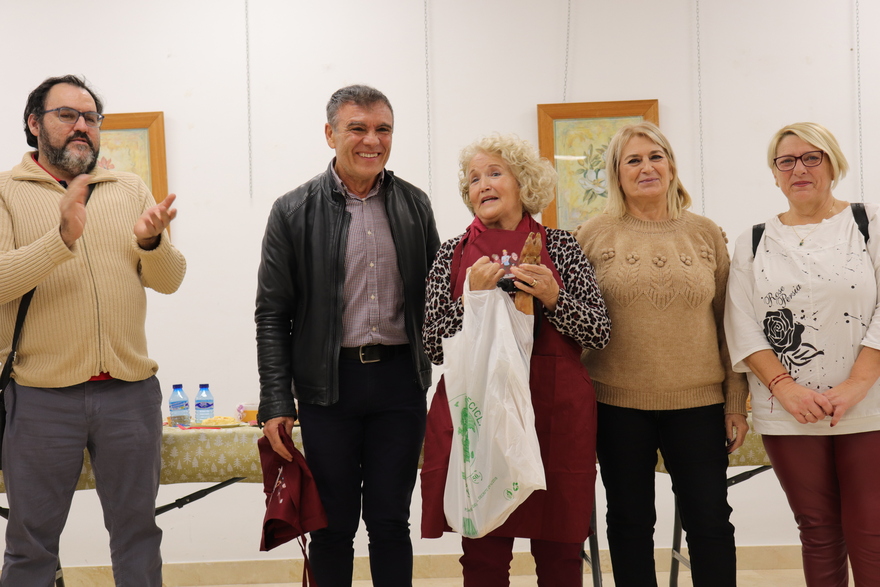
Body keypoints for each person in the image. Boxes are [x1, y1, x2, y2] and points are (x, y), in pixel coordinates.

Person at [0, 74, 186, 586]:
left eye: (90, 117)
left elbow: (169, 280)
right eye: (67, 115)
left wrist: (151, 244)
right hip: (40, 397)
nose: (81, 126)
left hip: (130, 393)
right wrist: (60, 239)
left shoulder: (129, 188)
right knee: (31, 543)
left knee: (138, 535)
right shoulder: (5, 191)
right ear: (34, 123)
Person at [255, 84, 440, 587]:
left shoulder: (415, 205)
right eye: (358, 128)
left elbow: (437, 299)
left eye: (383, 129)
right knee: (332, 527)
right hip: (328, 389)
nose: (372, 140)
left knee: (390, 522)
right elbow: (272, 314)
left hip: (400, 385)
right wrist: (276, 400)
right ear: (330, 133)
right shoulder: (292, 210)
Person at [420, 134, 611, 586]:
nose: (482, 184)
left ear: (524, 183)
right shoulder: (451, 253)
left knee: (561, 552)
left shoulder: (561, 246)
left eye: (494, 173)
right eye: (473, 179)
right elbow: (432, 344)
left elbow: (598, 331)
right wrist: (471, 300)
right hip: (480, 410)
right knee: (483, 554)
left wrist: (553, 297)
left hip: (554, 411)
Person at [574, 121, 747, 587]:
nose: (646, 167)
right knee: (629, 522)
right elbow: (574, 322)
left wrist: (735, 401)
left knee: (710, 522)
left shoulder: (705, 233)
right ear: (616, 173)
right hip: (615, 402)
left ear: (671, 165)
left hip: (698, 402)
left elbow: (730, 325)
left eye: (655, 156)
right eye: (633, 160)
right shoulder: (592, 234)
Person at [725, 122, 880, 586]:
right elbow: (741, 323)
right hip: (787, 411)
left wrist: (858, 382)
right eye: (786, 161)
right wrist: (785, 388)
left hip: (869, 405)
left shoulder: (868, 223)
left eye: (812, 157)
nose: (799, 169)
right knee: (817, 530)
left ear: (833, 164)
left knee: (871, 532)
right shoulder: (753, 241)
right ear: (774, 174)